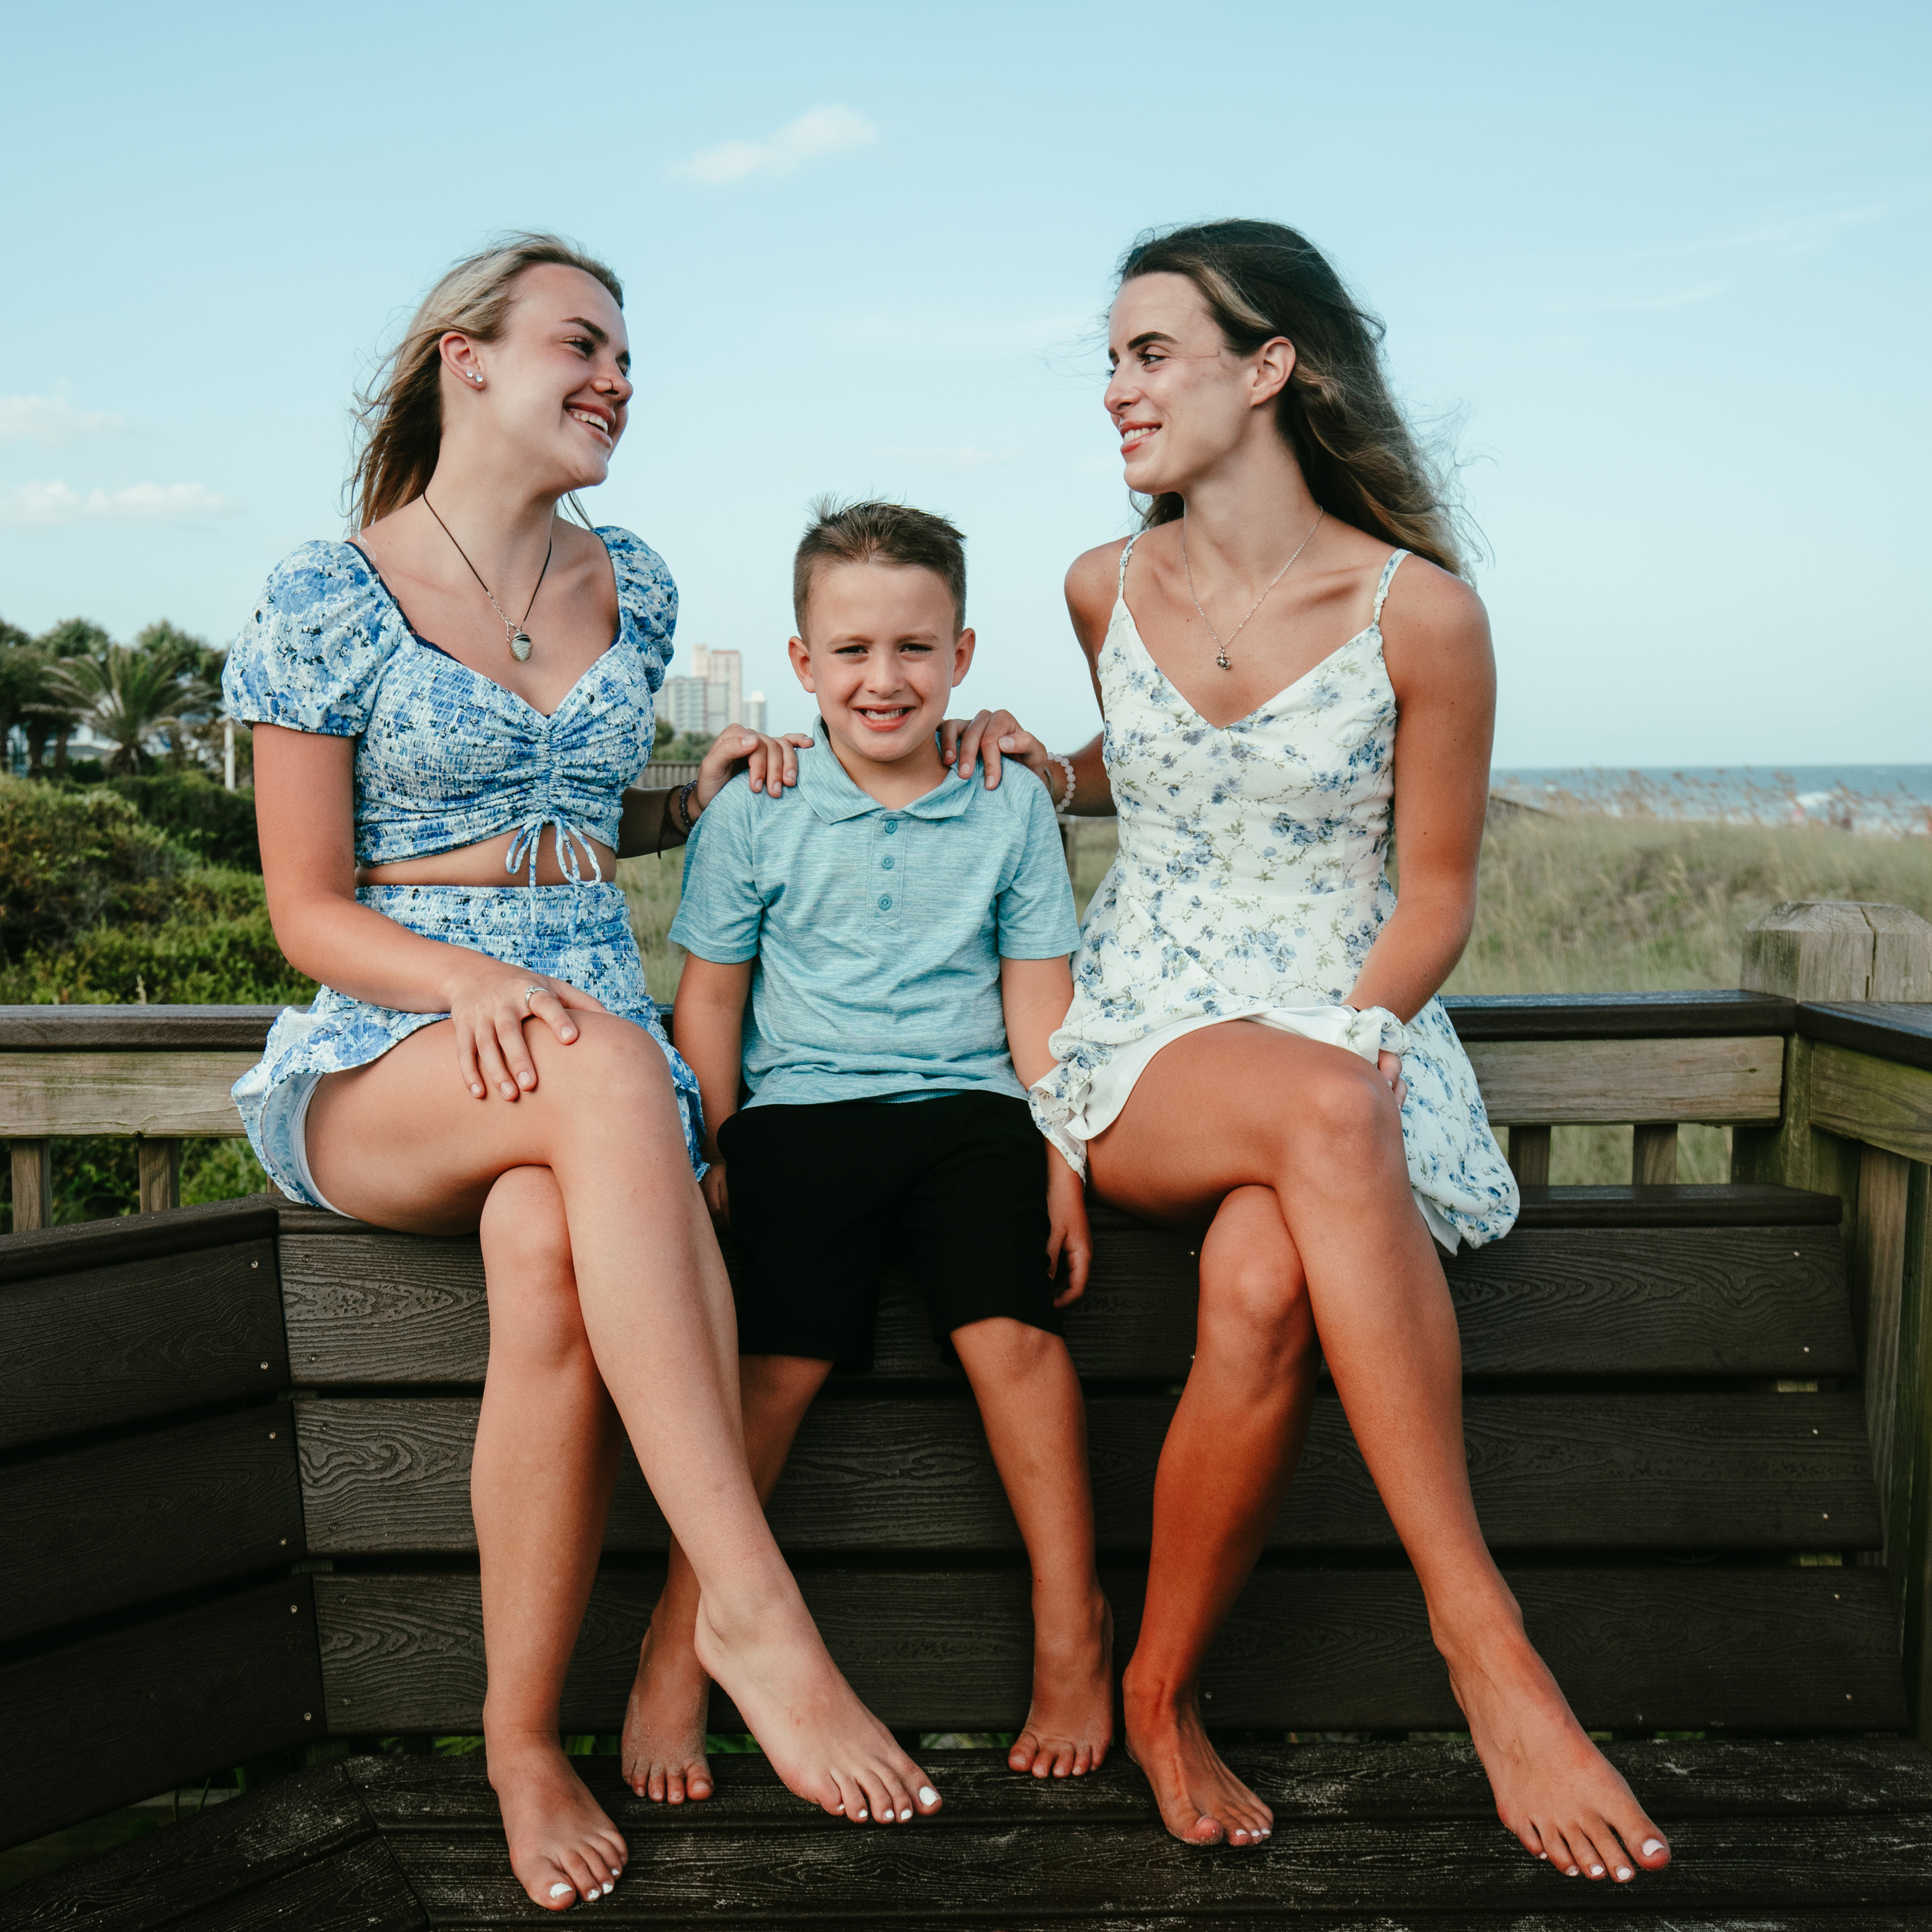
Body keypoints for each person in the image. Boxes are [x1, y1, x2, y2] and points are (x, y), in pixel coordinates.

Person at [947, 220, 1673, 1884]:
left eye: (1150, 353)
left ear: (1267, 366)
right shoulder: (1095, 584)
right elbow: (1152, 758)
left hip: (1341, 1021)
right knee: (1319, 1118)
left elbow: (1432, 898)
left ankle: (1154, 1689)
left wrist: (1351, 1033)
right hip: (1143, 1033)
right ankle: (1482, 1639)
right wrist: (1038, 765)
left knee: (1268, 1272)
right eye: (1112, 357)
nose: (1115, 388)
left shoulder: (1419, 614)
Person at [223, 235, 941, 1917]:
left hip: (576, 1033)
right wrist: (470, 974)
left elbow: (573, 813)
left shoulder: (641, 579)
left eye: (626, 352)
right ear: (464, 359)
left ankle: (517, 1737)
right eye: (583, 341)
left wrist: (717, 788)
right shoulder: (326, 592)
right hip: (392, 1034)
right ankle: (747, 1612)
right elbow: (304, 905)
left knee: (555, 1232)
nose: (617, 374)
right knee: (613, 1078)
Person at [618, 500, 1113, 1806]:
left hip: (968, 1113)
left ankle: (1075, 1633)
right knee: (769, 1369)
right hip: (800, 1117)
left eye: (911, 648)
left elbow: (1036, 1002)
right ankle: (683, 1647)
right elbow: (713, 1001)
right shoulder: (759, 810)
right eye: (850, 652)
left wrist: (1063, 1159)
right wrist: (713, 1159)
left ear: (960, 652)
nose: (881, 680)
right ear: (801, 662)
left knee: (1013, 1342)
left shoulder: (1009, 806)